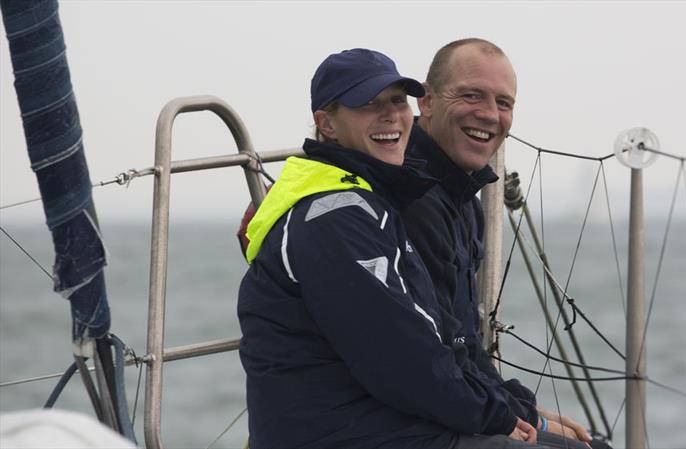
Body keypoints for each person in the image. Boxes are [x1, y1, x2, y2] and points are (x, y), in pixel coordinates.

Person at [238, 48, 550, 449]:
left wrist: (514, 411)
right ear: (327, 124)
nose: (390, 115)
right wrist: (502, 416)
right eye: (368, 104)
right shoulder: (334, 217)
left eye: (397, 101)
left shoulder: (372, 200)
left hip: (375, 421)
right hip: (337, 433)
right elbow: (404, 360)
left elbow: (444, 338)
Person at [401, 38, 601, 448]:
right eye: (471, 95)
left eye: (503, 103)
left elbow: (464, 344)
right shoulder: (412, 198)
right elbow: (428, 360)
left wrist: (521, 407)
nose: (489, 115)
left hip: (447, 400)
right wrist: (520, 418)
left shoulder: (463, 203)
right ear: (427, 100)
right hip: (410, 416)